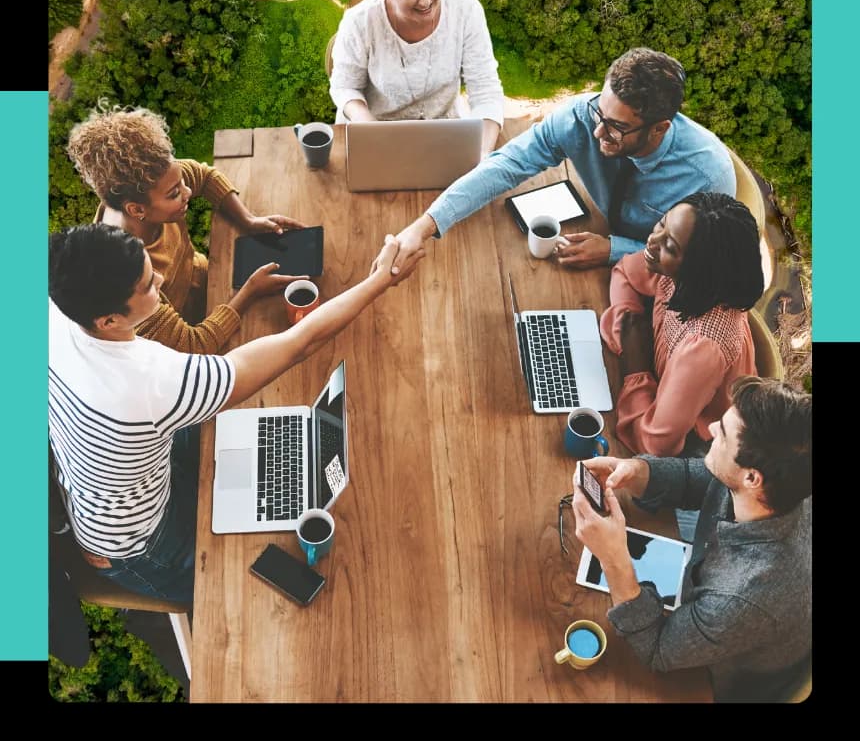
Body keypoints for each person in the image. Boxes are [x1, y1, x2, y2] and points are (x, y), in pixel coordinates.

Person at [48, 223, 424, 604]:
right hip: (140, 545)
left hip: (126, 475)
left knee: (266, 446)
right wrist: (380, 281)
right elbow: (298, 344)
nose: (159, 279)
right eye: (147, 285)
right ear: (108, 320)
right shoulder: (151, 381)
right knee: (245, 596)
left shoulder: (54, 311)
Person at [572, 376, 811, 704]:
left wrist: (614, 560)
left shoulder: (744, 597)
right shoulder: (772, 490)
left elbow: (657, 649)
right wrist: (638, 472)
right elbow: (704, 479)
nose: (711, 428)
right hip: (709, 608)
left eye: (723, 434)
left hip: (715, 681)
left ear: (752, 477)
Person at [391, 47, 736, 271]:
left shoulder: (708, 177)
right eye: (599, 112)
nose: (598, 132)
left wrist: (615, 251)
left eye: (616, 127)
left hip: (650, 278)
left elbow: (700, 264)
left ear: (659, 129)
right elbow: (508, 163)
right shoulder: (582, 116)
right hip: (592, 246)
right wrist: (425, 225)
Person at [67, 103, 307, 353]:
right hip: (193, 331)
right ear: (137, 210)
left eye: (181, 182)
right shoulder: (127, 278)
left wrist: (248, 220)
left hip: (211, 281)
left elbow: (204, 176)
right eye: (174, 194)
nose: (188, 192)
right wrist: (250, 292)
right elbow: (194, 345)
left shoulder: (155, 179)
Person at [601, 192, 763, 458]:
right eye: (662, 223)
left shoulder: (705, 346)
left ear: (699, 270)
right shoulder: (676, 271)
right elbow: (625, 272)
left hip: (700, 447)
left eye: (671, 247)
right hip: (658, 396)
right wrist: (627, 326)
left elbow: (656, 445)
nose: (652, 242)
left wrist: (636, 366)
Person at [328, 0, 505, 156]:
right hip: (378, 138)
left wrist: (481, 155)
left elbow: (486, 90)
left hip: (446, 136)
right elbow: (344, 87)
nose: (425, 1)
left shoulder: (466, 10)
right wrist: (370, 128)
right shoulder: (358, 21)